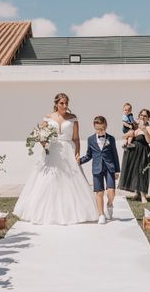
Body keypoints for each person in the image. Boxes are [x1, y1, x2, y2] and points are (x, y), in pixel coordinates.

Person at [14, 93, 98, 225]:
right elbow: (40, 134)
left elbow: (76, 138)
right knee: (48, 179)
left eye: (66, 103)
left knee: (70, 180)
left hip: (68, 151)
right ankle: (44, 212)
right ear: (56, 104)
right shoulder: (48, 117)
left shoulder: (73, 118)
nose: (64, 106)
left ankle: (73, 212)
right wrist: (42, 142)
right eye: (62, 103)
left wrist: (77, 153)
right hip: (52, 151)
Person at [79, 116, 120, 224]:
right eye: (98, 129)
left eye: (102, 129)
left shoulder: (111, 139)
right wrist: (79, 161)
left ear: (106, 127)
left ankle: (110, 204)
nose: (100, 131)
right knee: (99, 193)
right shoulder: (90, 139)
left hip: (110, 168)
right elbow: (89, 155)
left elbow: (115, 155)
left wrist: (117, 170)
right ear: (94, 127)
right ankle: (101, 214)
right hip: (97, 168)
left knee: (111, 191)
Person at [119, 109, 150, 203]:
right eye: (141, 115)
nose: (142, 117)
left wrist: (144, 130)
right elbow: (123, 137)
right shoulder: (134, 127)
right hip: (132, 151)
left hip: (143, 151)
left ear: (148, 118)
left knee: (141, 172)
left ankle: (143, 195)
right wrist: (129, 134)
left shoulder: (149, 128)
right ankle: (136, 193)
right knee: (134, 172)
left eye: (145, 116)